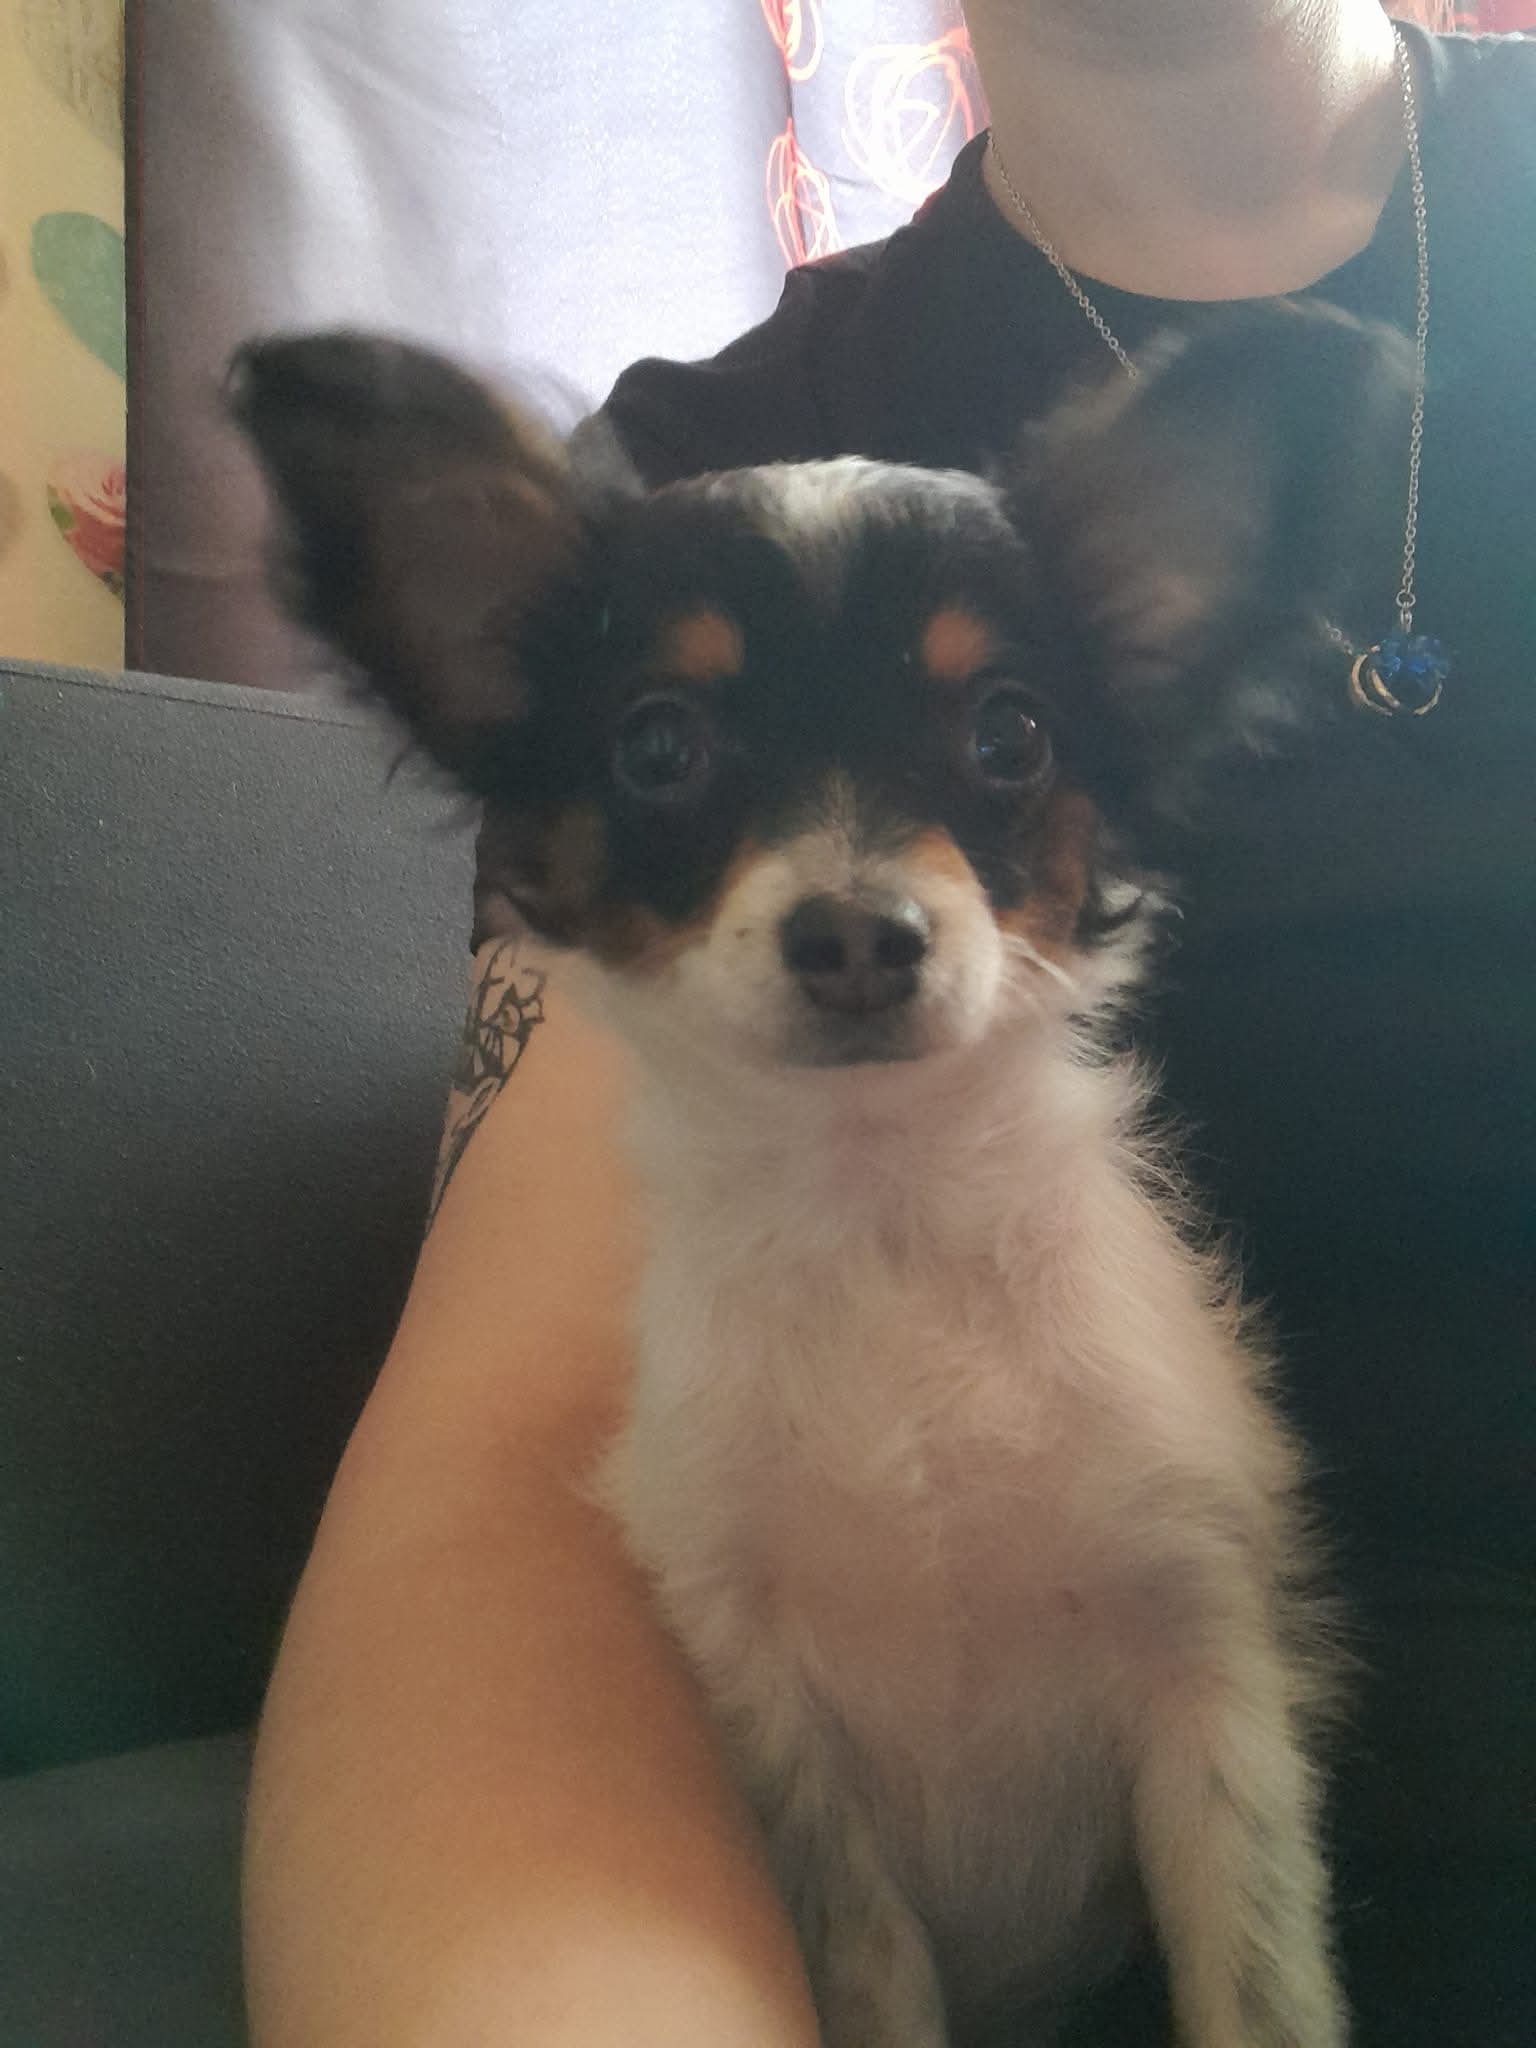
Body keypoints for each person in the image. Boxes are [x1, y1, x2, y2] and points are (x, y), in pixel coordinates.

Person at [242, 5, 1535, 2043]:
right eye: (671, 750)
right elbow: (513, 1467)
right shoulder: (711, 441)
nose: (849, 901)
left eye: (998, 739)